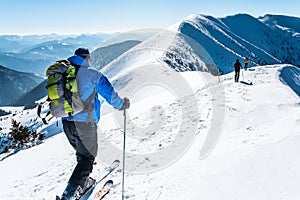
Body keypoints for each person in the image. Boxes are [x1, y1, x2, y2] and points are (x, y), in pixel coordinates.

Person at [60, 48, 130, 200]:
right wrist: (121, 105)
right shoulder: (92, 74)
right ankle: (69, 195)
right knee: (87, 158)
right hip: (85, 123)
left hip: (67, 123)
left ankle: (83, 183)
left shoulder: (64, 74)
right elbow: (110, 94)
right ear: (87, 58)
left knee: (83, 156)